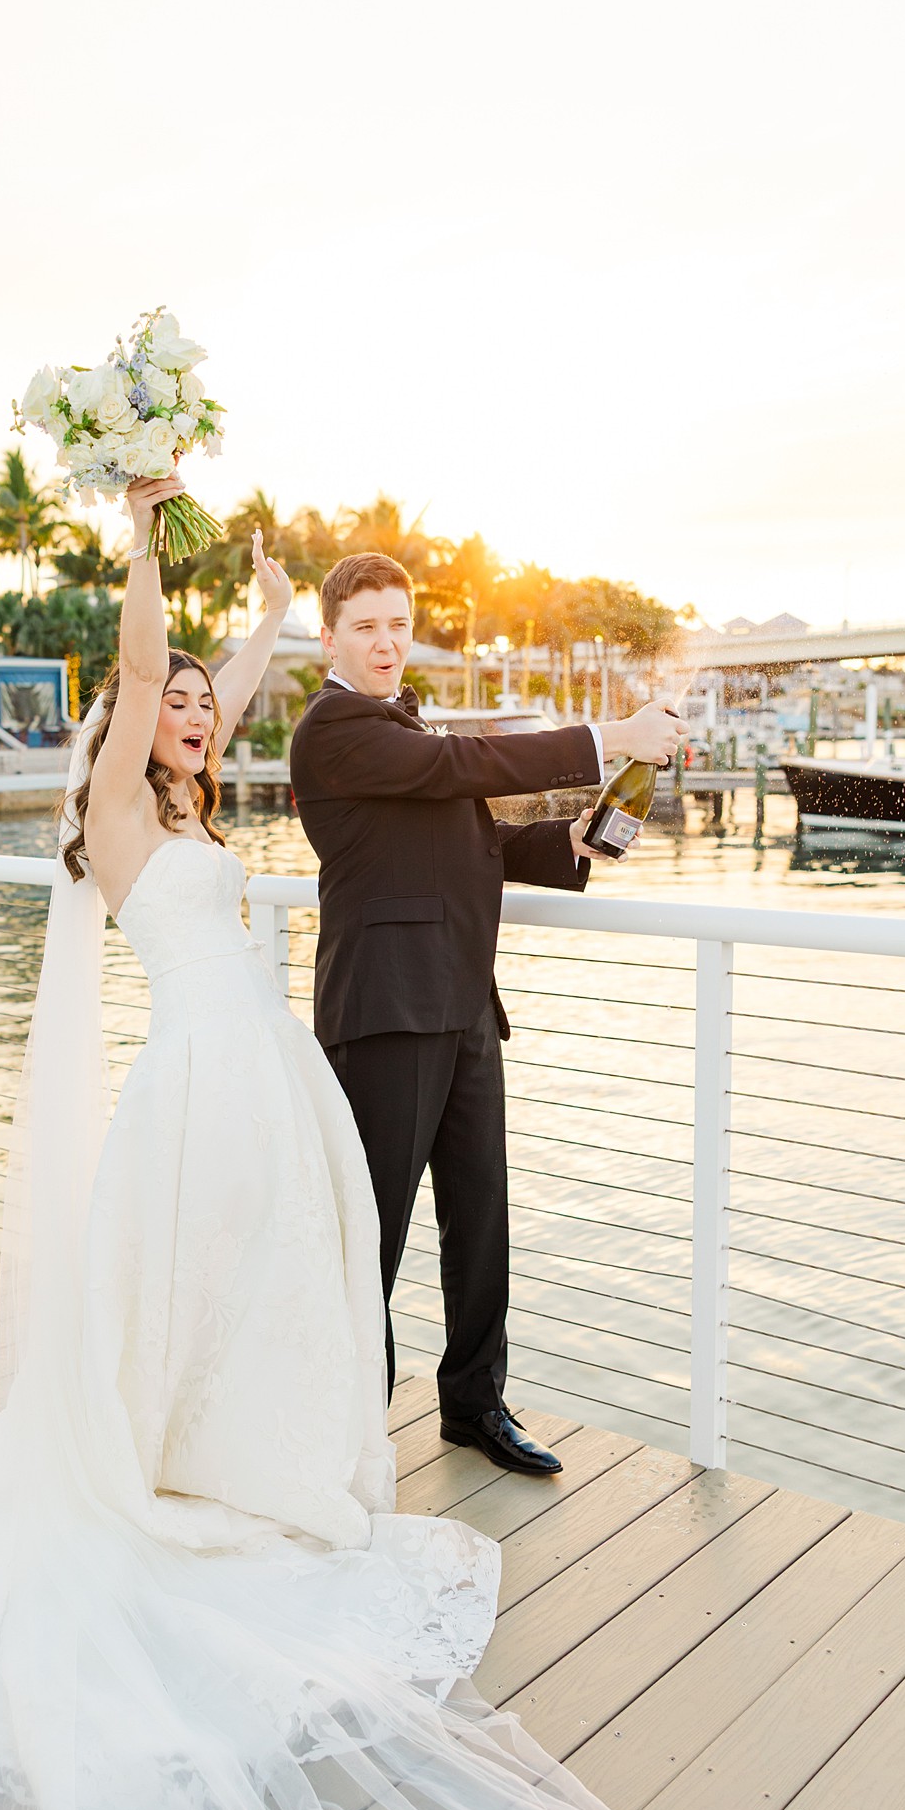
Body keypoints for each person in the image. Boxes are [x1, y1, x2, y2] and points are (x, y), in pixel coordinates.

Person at [0, 477, 644, 1810]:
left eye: (211, 706)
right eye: (177, 701)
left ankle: (238, 1454)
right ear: (126, 717)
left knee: (254, 1286)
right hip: (199, 1084)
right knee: (210, 1283)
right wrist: (145, 535)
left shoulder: (191, 807)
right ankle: (173, 1469)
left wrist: (267, 620)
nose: (196, 711)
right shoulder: (118, 810)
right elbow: (148, 659)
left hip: (262, 1071)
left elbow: (215, 680)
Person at [290, 554, 687, 1475]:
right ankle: (342, 1428)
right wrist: (611, 732)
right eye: (366, 628)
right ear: (331, 639)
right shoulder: (334, 729)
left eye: (398, 623)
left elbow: (467, 834)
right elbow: (464, 765)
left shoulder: (398, 724)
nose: (387, 642)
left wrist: (573, 840)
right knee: (372, 1234)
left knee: (481, 1219)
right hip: (385, 1013)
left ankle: (474, 1406)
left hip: (464, 1001)